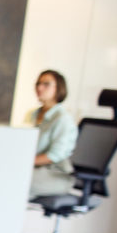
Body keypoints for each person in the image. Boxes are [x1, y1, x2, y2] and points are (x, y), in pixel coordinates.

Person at [27, 69, 78, 198]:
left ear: (58, 88)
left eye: (46, 84)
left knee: (16, 180)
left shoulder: (62, 118)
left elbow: (54, 155)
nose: (39, 87)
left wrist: (24, 161)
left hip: (56, 174)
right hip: (34, 169)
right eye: (38, 83)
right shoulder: (33, 115)